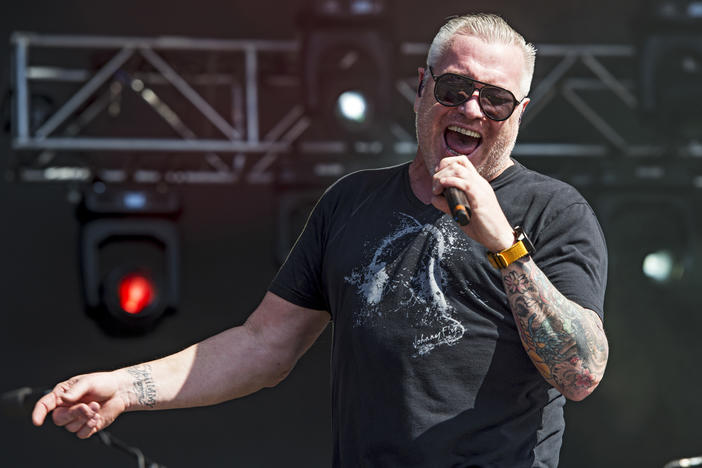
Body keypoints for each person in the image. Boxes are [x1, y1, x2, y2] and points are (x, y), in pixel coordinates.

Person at [32, 13, 609, 467]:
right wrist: (128, 387)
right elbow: (263, 346)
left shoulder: (554, 211)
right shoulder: (351, 201)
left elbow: (581, 372)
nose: (471, 109)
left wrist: (504, 243)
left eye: (495, 99)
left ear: (519, 114)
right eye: (455, 87)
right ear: (421, 89)